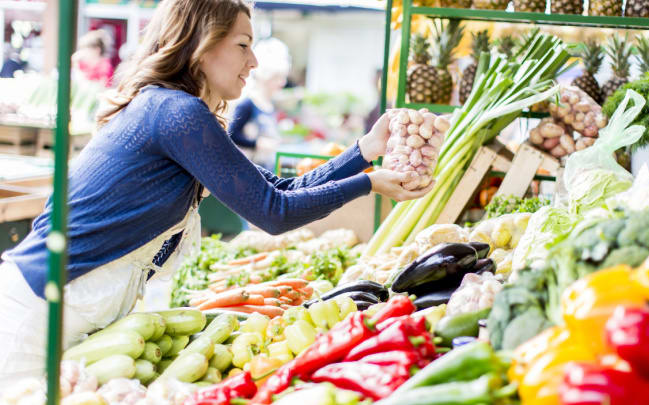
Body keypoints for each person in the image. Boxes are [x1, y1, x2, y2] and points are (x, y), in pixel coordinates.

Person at [0, 0, 432, 385]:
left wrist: (365, 151)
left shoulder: (174, 108)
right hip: (37, 318)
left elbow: (274, 190)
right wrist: (368, 183)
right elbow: (274, 212)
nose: (254, 61)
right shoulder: (176, 112)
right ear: (203, 46)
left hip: (64, 311)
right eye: (243, 45)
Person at [227, 37, 290, 169]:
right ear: (265, 77)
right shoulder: (247, 104)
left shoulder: (269, 105)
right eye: (277, 78)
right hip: (250, 171)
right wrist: (257, 143)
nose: (282, 83)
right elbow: (231, 134)